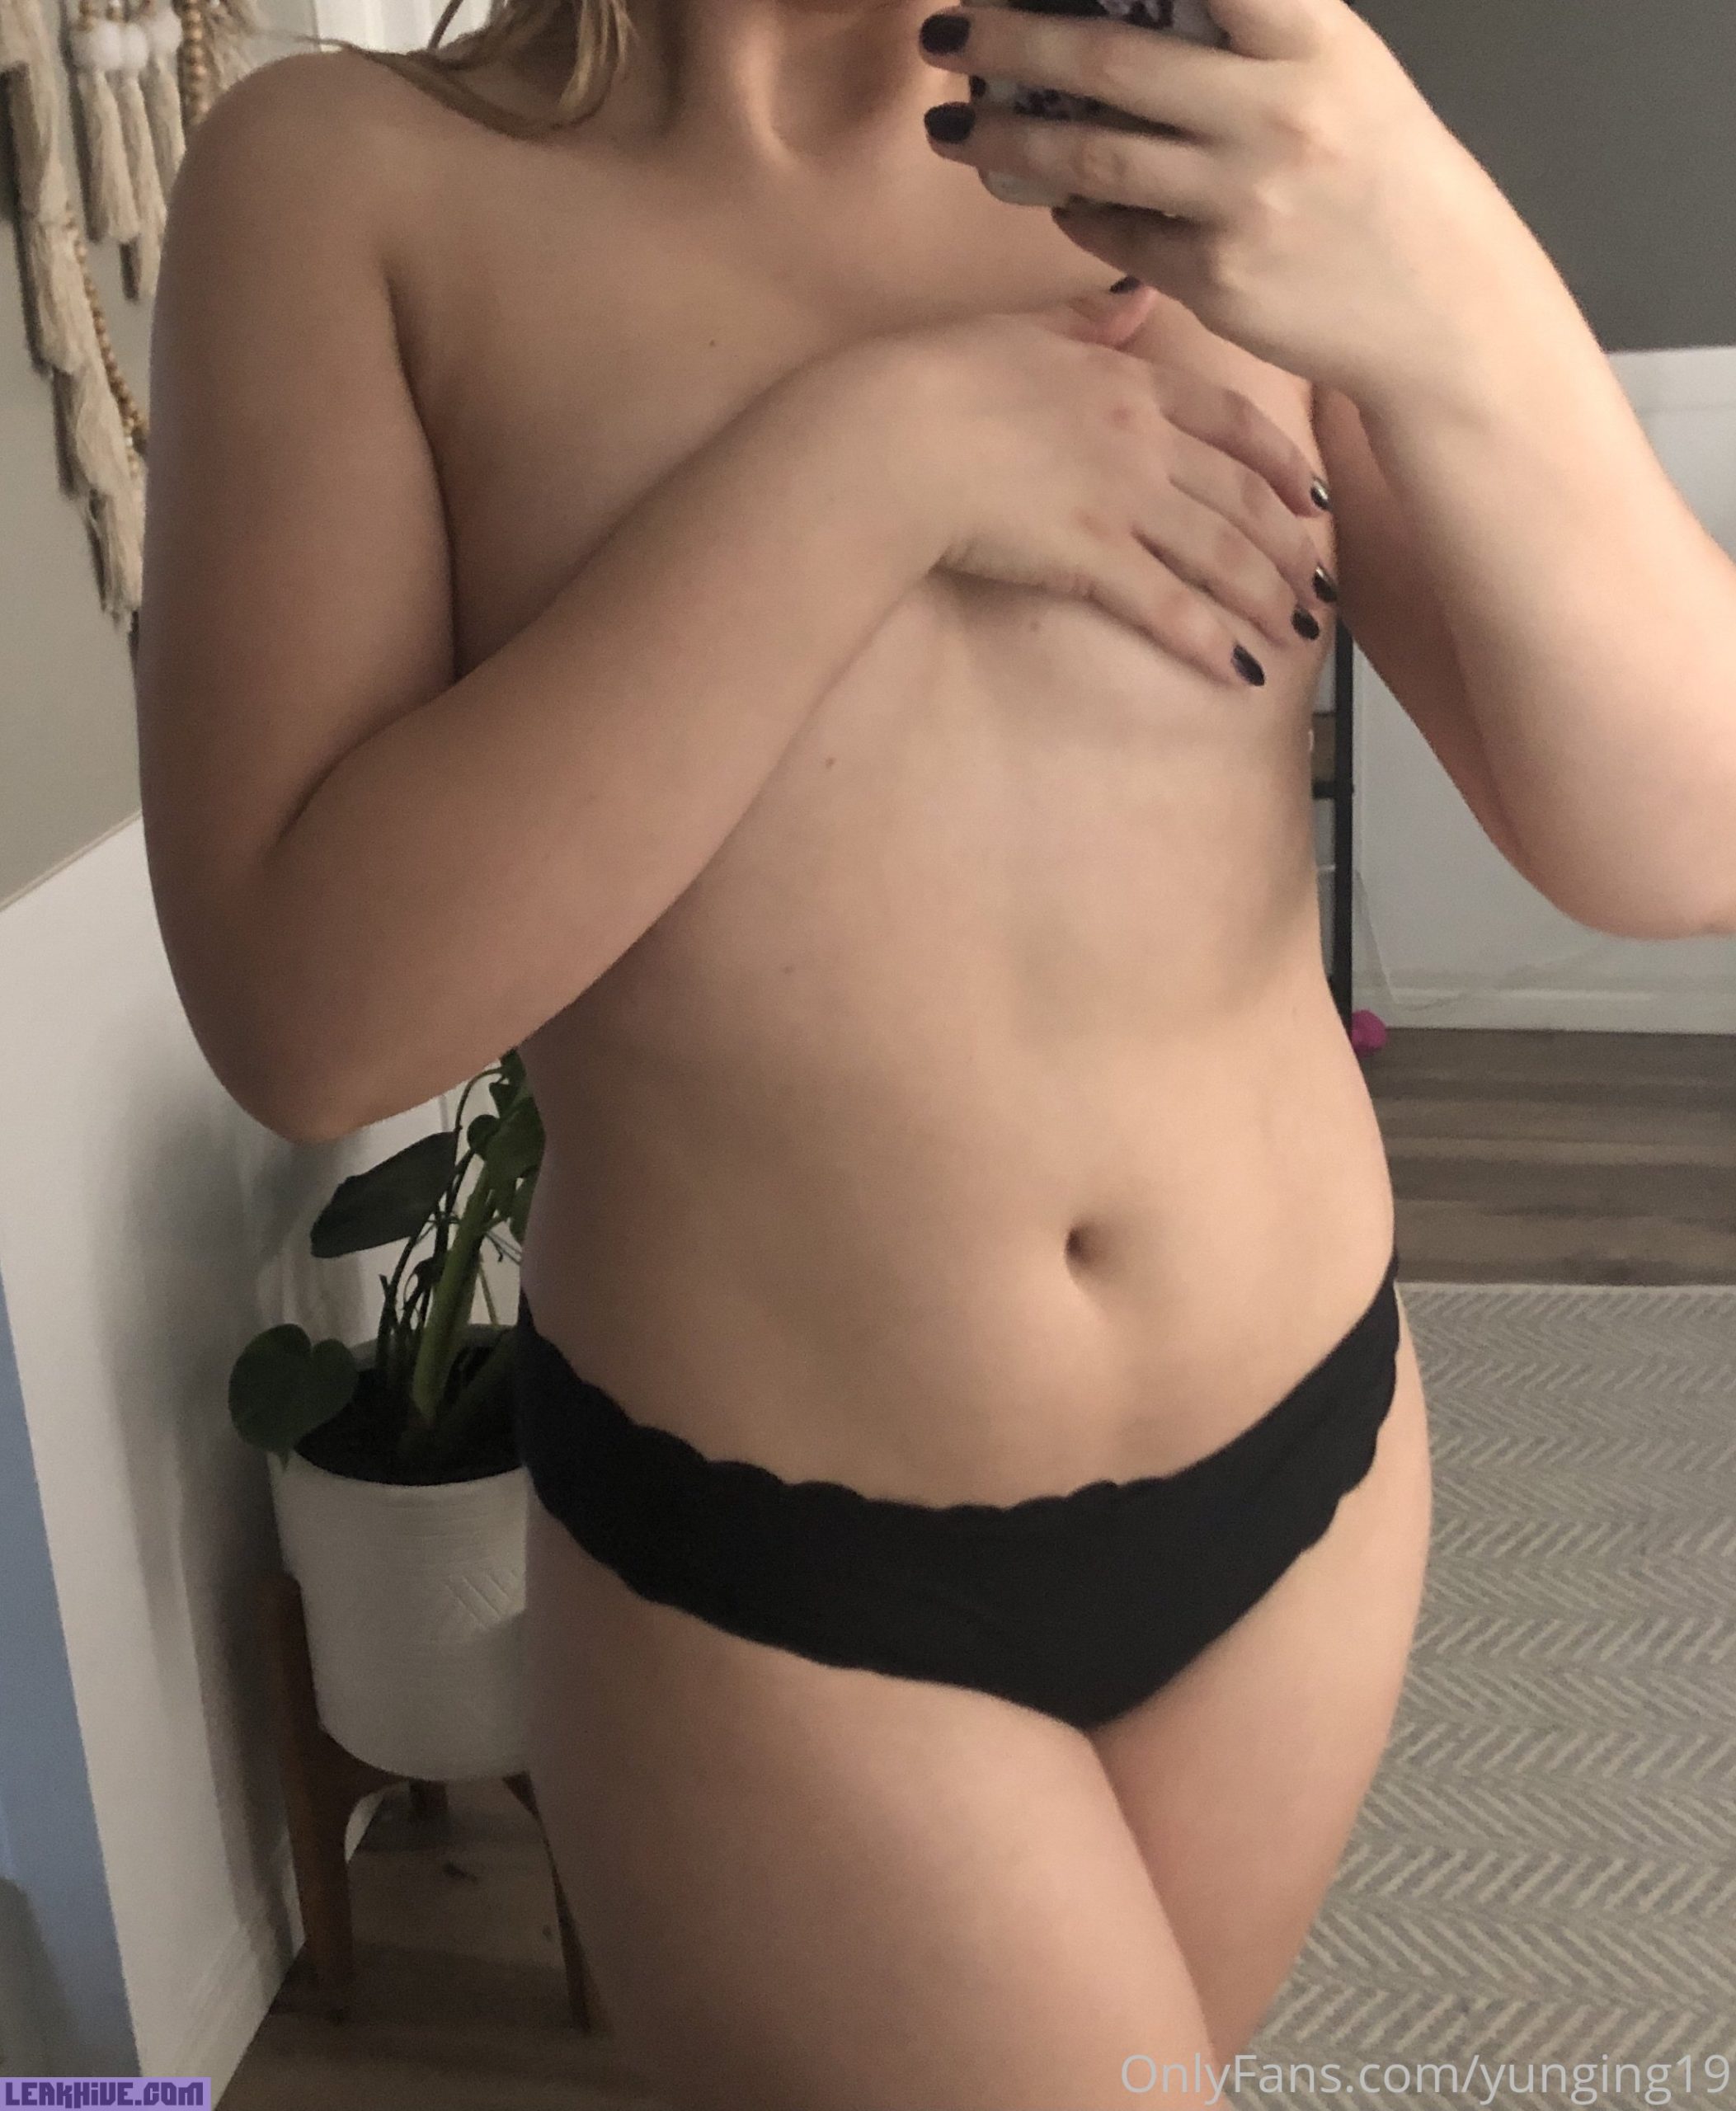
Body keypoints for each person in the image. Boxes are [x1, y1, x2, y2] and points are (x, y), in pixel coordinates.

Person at [136, 2, 1451, 2102]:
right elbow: (309, 1016)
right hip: (789, 1578)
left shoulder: (1214, 116)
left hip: (1310, 1456)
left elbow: (1657, 801)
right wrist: (875, 464)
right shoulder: (341, 179)